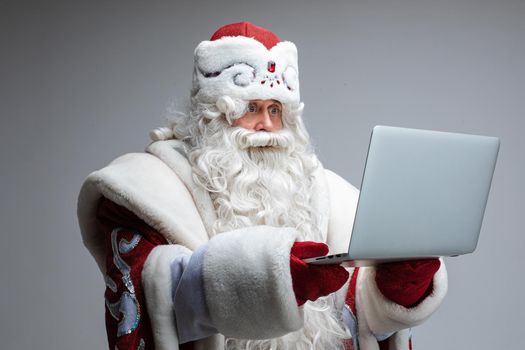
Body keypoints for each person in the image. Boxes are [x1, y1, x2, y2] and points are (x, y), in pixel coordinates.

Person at [78, 22, 447, 350]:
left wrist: (393, 291)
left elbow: (349, 318)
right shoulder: (147, 188)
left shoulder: (326, 191)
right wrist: (265, 278)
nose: (267, 125)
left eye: (275, 110)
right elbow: (148, 295)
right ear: (212, 113)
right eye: (251, 107)